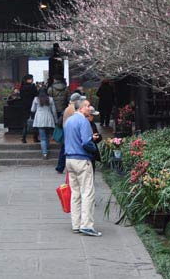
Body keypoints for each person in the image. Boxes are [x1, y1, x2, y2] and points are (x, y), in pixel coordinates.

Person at [64, 98, 102, 237]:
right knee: (87, 192)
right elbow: (86, 142)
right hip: (82, 159)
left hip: (69, 159)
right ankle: (86, 225)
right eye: (87, 106)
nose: (89, 108)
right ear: (80, 108)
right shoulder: (84, 121)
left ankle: (76, 224)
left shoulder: (69, 121)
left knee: (75, 193)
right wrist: (94, 149)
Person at [55, 92, 85, 173]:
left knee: (64, 149)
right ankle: (61, 167)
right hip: (70, 132)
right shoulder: (72, 109)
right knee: (65, 149)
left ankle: (60, 167)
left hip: (67, 131)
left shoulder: (68, 108)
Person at [30, 88, 57, 159]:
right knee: (47, 135)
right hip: (48, 118)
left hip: (39, 118)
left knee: (42, 138)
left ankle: (44, 153)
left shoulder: (36, 99)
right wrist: (56, 120)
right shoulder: (50, 99)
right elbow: (54, 111)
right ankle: (47, 147)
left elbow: (32, 109)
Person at [18, 74, 39, 143]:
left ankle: (23, 138)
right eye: (31, 78)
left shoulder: (22, 87)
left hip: (24, 106)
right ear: (28, 79)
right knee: (35, 121)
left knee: (25, 123)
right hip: (33, 106)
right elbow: (36, 95)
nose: (32, 80)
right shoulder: (33, 87)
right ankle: (35, 138)